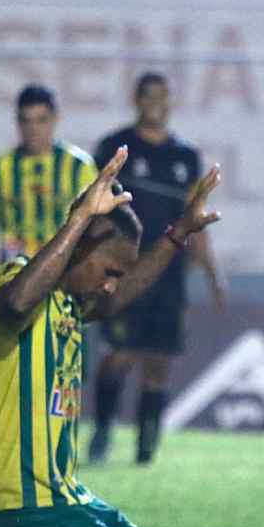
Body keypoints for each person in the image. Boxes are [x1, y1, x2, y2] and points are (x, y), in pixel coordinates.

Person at [0, 145, 222, 527]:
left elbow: (122, 295)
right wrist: (78, 220)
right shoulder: (18, 279)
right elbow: (13, 306)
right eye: (108, 270)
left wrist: (179, 233)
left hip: (65, 494)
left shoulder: (69, 303)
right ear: (78, 249)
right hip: (18, 502)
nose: (110, 285)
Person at [87, 73, 227, 465]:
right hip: (124, 271)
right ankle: (102, 431)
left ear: (170, 102)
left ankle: (146, 446)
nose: (155, 104)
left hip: (169, 276)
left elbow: (193, 221)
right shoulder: (116, 149)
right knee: (119, 354)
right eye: (148, 96)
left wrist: (213, 274)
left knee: (159, 362)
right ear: (136, 99)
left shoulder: (185, 157)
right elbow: (94, 212)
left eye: (162, 97)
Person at [0, 84, 98, 302]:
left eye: (41, 120)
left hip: (64, 280)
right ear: (18, 122)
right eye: (26, 121)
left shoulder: (79, 167)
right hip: (13, 279)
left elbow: (96, 225)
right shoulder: (0, 169)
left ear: (55, 119)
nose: (33, 128)